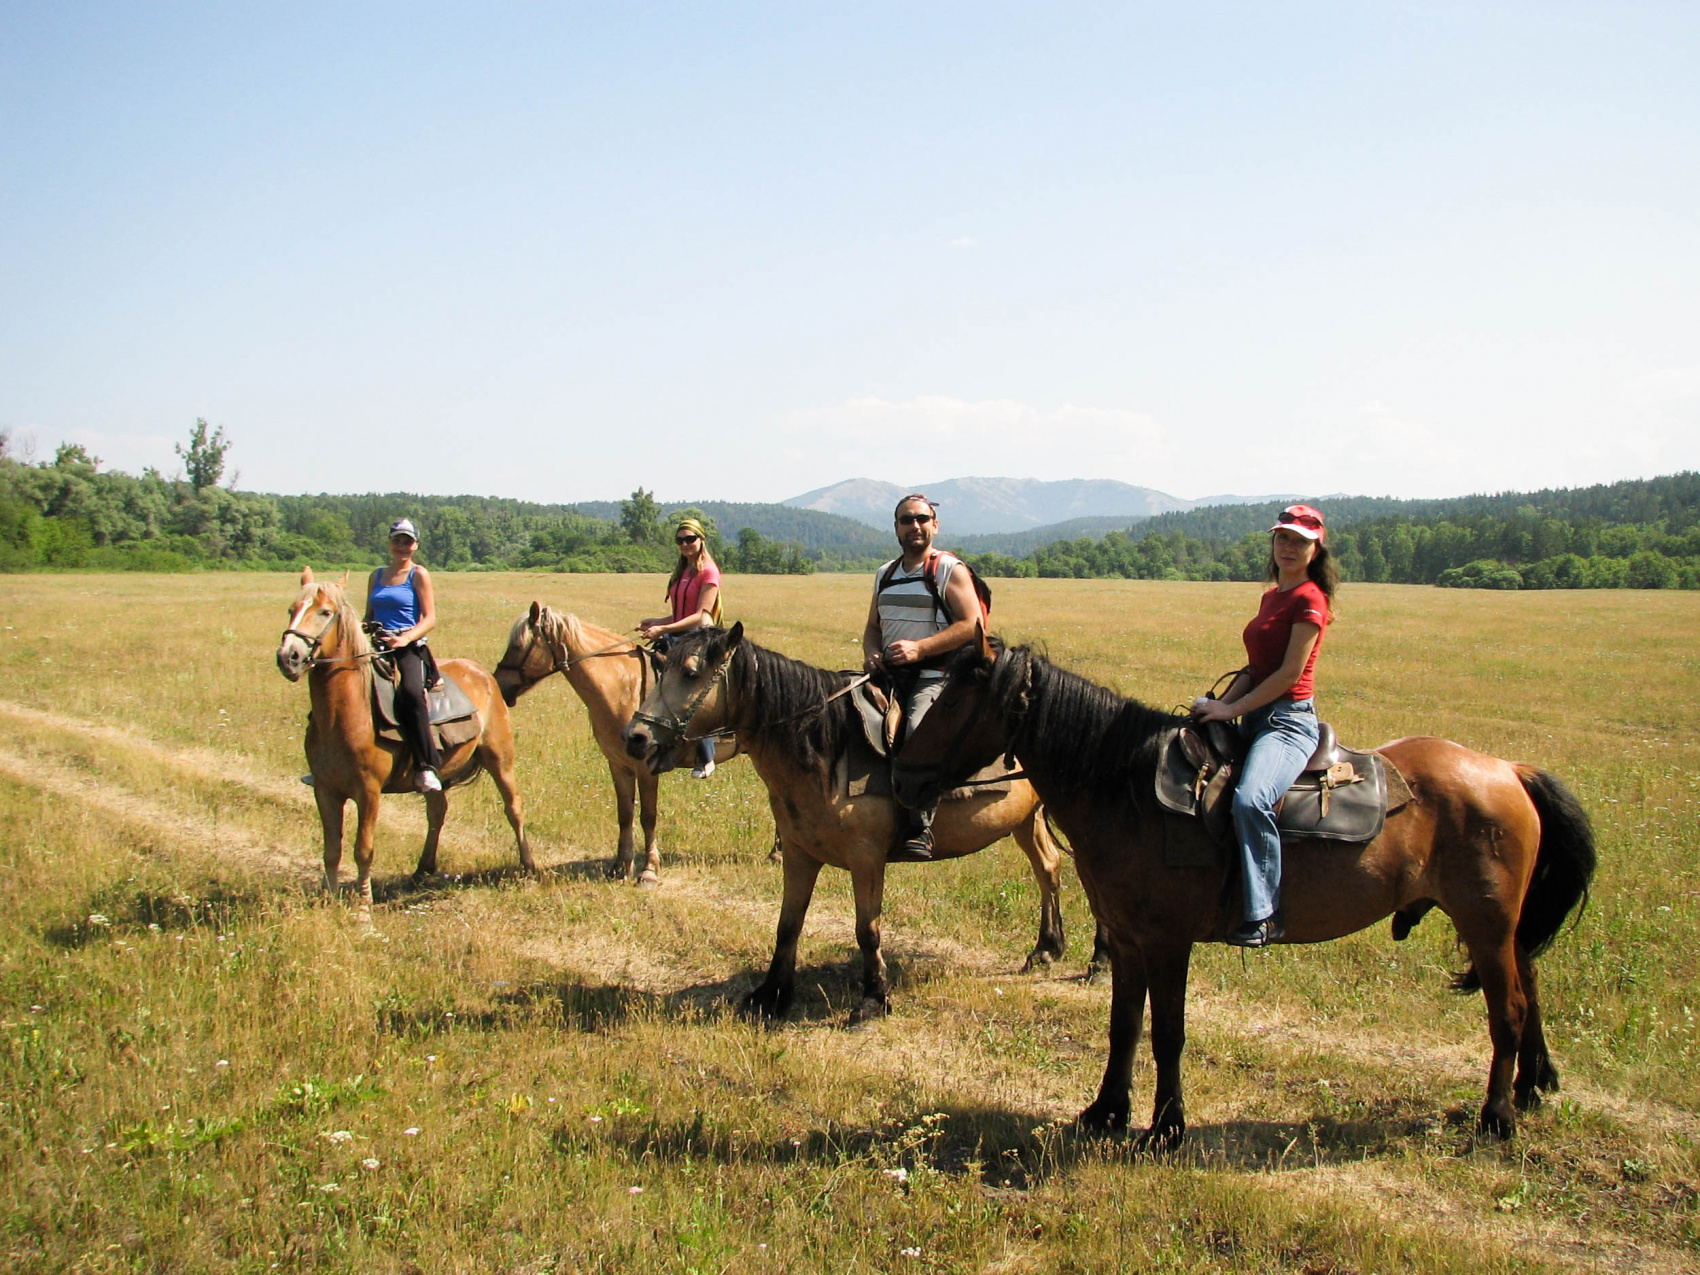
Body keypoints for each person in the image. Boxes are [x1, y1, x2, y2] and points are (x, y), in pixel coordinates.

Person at [1190, 504, 1337, 947]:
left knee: (1252, 801)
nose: (1288, 547)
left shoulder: (1311, 598)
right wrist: (1216, 705)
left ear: (1316, 548)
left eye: (1299, 541)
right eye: (1282, 538)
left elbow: (1289, 675)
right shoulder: (1271, 596)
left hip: (1287, 723)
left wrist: (1231, 712)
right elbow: (1255, 669)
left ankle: (1265, 914)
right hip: (1254, 713)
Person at [863, 493, 983, 861]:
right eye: (906, 520)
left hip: (937, 675)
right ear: (896, 527)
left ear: (935, 524)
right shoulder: (886, 573)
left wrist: (921, 649)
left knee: (917, 733)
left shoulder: (948, 569)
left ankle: (920, 827)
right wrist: (871, 653)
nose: (914, 526)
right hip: (889, 674)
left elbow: (972, 624)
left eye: (921, 519)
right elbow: (872, 627)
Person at [639, 517, 724, 778]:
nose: (685, 544)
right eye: (680, 540)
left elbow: (701, 615)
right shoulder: (682, 572)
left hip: (699, 637)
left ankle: (707, 757)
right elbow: (679, 614)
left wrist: (663, 629)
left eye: (690, 539)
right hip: (679, 634)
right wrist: (657, 621)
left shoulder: (709, 571)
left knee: (690, 687)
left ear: (701, 540)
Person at [367, 518, 444, 794]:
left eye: (407, 541)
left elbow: (429, 618)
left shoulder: (418, 574)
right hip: (377, 645)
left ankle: (426, 767)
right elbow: (369, 616)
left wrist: (404, 638)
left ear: (416, 546)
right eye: (397, 540)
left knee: (410, 693)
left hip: (409, 647)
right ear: (389, 543)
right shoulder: (376, 575)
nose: (402, 546)